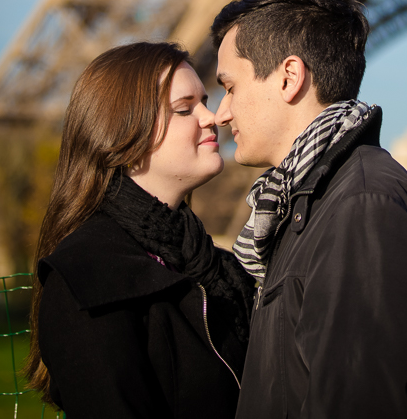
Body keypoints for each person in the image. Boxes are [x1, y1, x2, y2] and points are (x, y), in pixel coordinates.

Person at [212, 0, 407, 418]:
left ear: (289, 77)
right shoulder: (304, 206)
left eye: (229, 87)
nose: (220, 113)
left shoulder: (362, 205)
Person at [26, 41, 254, 419]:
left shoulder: (216, 268)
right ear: (124, 137)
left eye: (205, 101)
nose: (211, 117)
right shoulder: (86, 282)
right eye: (185, 109)